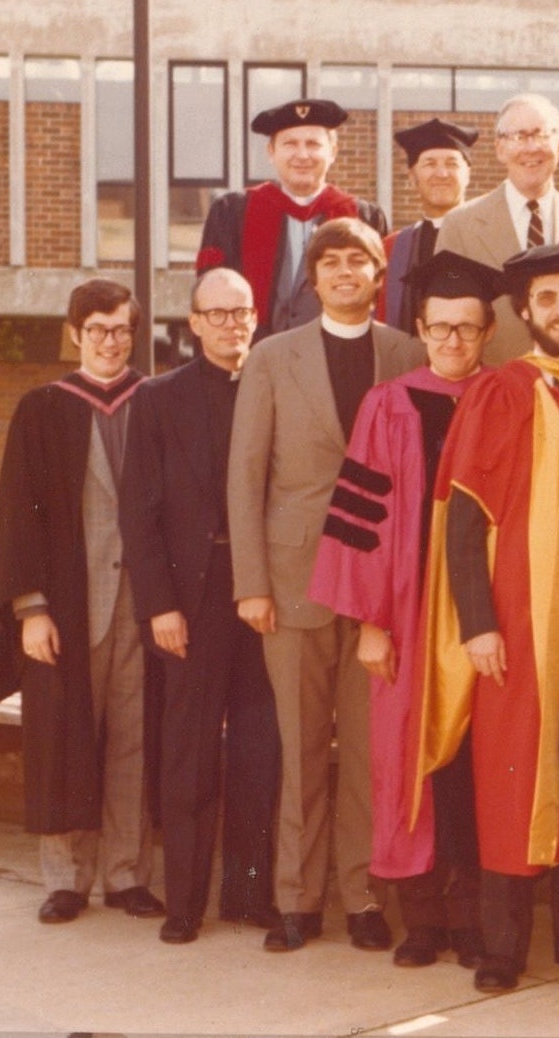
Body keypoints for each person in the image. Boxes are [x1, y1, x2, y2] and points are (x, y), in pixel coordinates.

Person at [417, 243, 559, 992]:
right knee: (507, 779)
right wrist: (476, 623)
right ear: (525, 312)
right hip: (514, 621)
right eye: (547, 299)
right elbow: (463, 523)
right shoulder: (498, 391)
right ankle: (502, 946)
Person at [226, 217, 426, 952]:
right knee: (302, 745)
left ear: (380, 276)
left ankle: (363, 896)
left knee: (371, 753)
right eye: (332, 263)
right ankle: (297, 900)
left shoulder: (406, 353)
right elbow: (245, 477)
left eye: (360, 262)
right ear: (312, 280)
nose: (346, 274)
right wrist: (252, 581)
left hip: (379, 589)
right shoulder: (273, 358)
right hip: (295, 580)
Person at [308, 251, 499, 970]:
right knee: (406, 765)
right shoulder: (388, 404)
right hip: (408, 616)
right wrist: (370, 623)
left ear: (486, 333)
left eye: (467, 329)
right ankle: (423, 921)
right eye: (440, 328)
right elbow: (363, 525)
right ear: (419, 329)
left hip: (485, 619)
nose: (453, 341)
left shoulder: (504, 398)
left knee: (476, 769)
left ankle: (472, 919)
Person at [0, 277, 162, 925]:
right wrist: (30, 609)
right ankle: (66, 880)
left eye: (122, 329)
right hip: (68, 605)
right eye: (98, 329)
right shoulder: (42, 408)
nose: (110, 342)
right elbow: (16, 516)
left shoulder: (154, 402)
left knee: (134, 740)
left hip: (143, 604)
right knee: (62, 738)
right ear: (75, 334)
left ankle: (127, 874)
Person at [119, 268, 282, 944]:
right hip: (192, 592)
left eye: (240, 311)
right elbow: (139, 513)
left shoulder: (275, 386)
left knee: (258, 745)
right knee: (187, 748)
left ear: (255, 317)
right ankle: (183, 899)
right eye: (215, 313)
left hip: (265, 585)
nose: (230, 324)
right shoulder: (158, 399)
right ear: (193, 323)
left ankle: (248, 896)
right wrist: (160, 604)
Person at [196, 98, 389, 340]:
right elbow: (209, 296)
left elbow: (380, 302)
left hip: (337, 360)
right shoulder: (232, 212)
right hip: (253, 360)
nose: (302, 155)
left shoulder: (364, 218)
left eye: (313, 144)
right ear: (271, 152)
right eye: (290, 144)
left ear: (333, 152)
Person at [436, 94, 559, 365]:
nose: (531, 147)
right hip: (491, 389)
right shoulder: (460, 226)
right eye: (519, 136)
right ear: (500, 149)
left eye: (541, 134)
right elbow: (446, 321)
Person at [381, 118, 479, 329]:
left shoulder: (489, 239)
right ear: (412, 176)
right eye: (429, 164)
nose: (442, 174)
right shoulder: (392, 248)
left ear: (468, 174)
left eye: (452, 164)